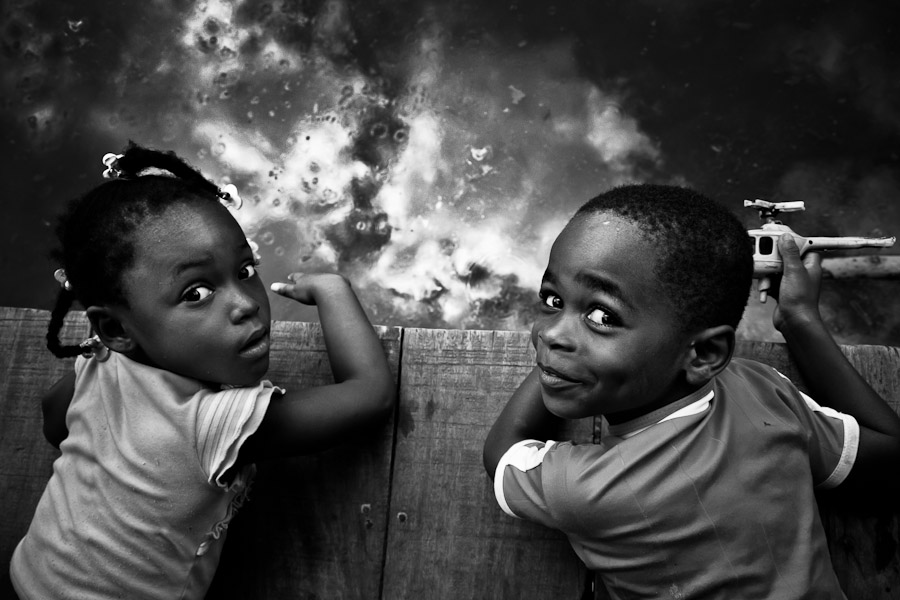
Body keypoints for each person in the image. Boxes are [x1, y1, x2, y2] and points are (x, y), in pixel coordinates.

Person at [8, 143, 396, 600]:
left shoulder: (101, 364)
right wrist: (334, 290)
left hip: (26, 578)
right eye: (196, 293)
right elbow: (371, 394)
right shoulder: (214, 423)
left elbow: (54, 417)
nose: (247, 303)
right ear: (115, 327)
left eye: (246, 268)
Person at [483, 184, 900, 599]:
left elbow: (502, 452)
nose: (548, 332)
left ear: (703, 352)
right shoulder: (764, 393)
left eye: (601, 315)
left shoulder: (588, 487)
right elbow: (892, 452)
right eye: (552, 300)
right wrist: (802, 319)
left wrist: (554, 362)